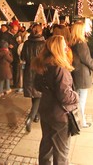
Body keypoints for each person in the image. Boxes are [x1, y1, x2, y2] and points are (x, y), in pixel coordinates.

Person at [33, 35, 79, 165]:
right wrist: (76, 96)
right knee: (61, 152)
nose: (66, 47)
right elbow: (65, 96)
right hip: (60, 115)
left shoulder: (43, 64)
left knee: (46, 147)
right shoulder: (60, 69)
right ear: (59, 48)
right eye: (64, 44)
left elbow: (37, 85)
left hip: (46, 110)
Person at [69, 21, 93, 128]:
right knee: (81, 100)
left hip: (76, 73)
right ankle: (81, 122)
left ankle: (77, 120)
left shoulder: (73, 42)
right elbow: (86, 59)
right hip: (82, 74)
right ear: (80, 30)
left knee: (77, 98)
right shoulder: (81, 43)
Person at [21, 23, 46, 132]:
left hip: (28, 70)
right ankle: (30, 117)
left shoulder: (26, 43)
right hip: (39, 72)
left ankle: (37, 115)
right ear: (40, 32)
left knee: (34, 94)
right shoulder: (44, 44)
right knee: (39, 95)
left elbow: (22, 56)